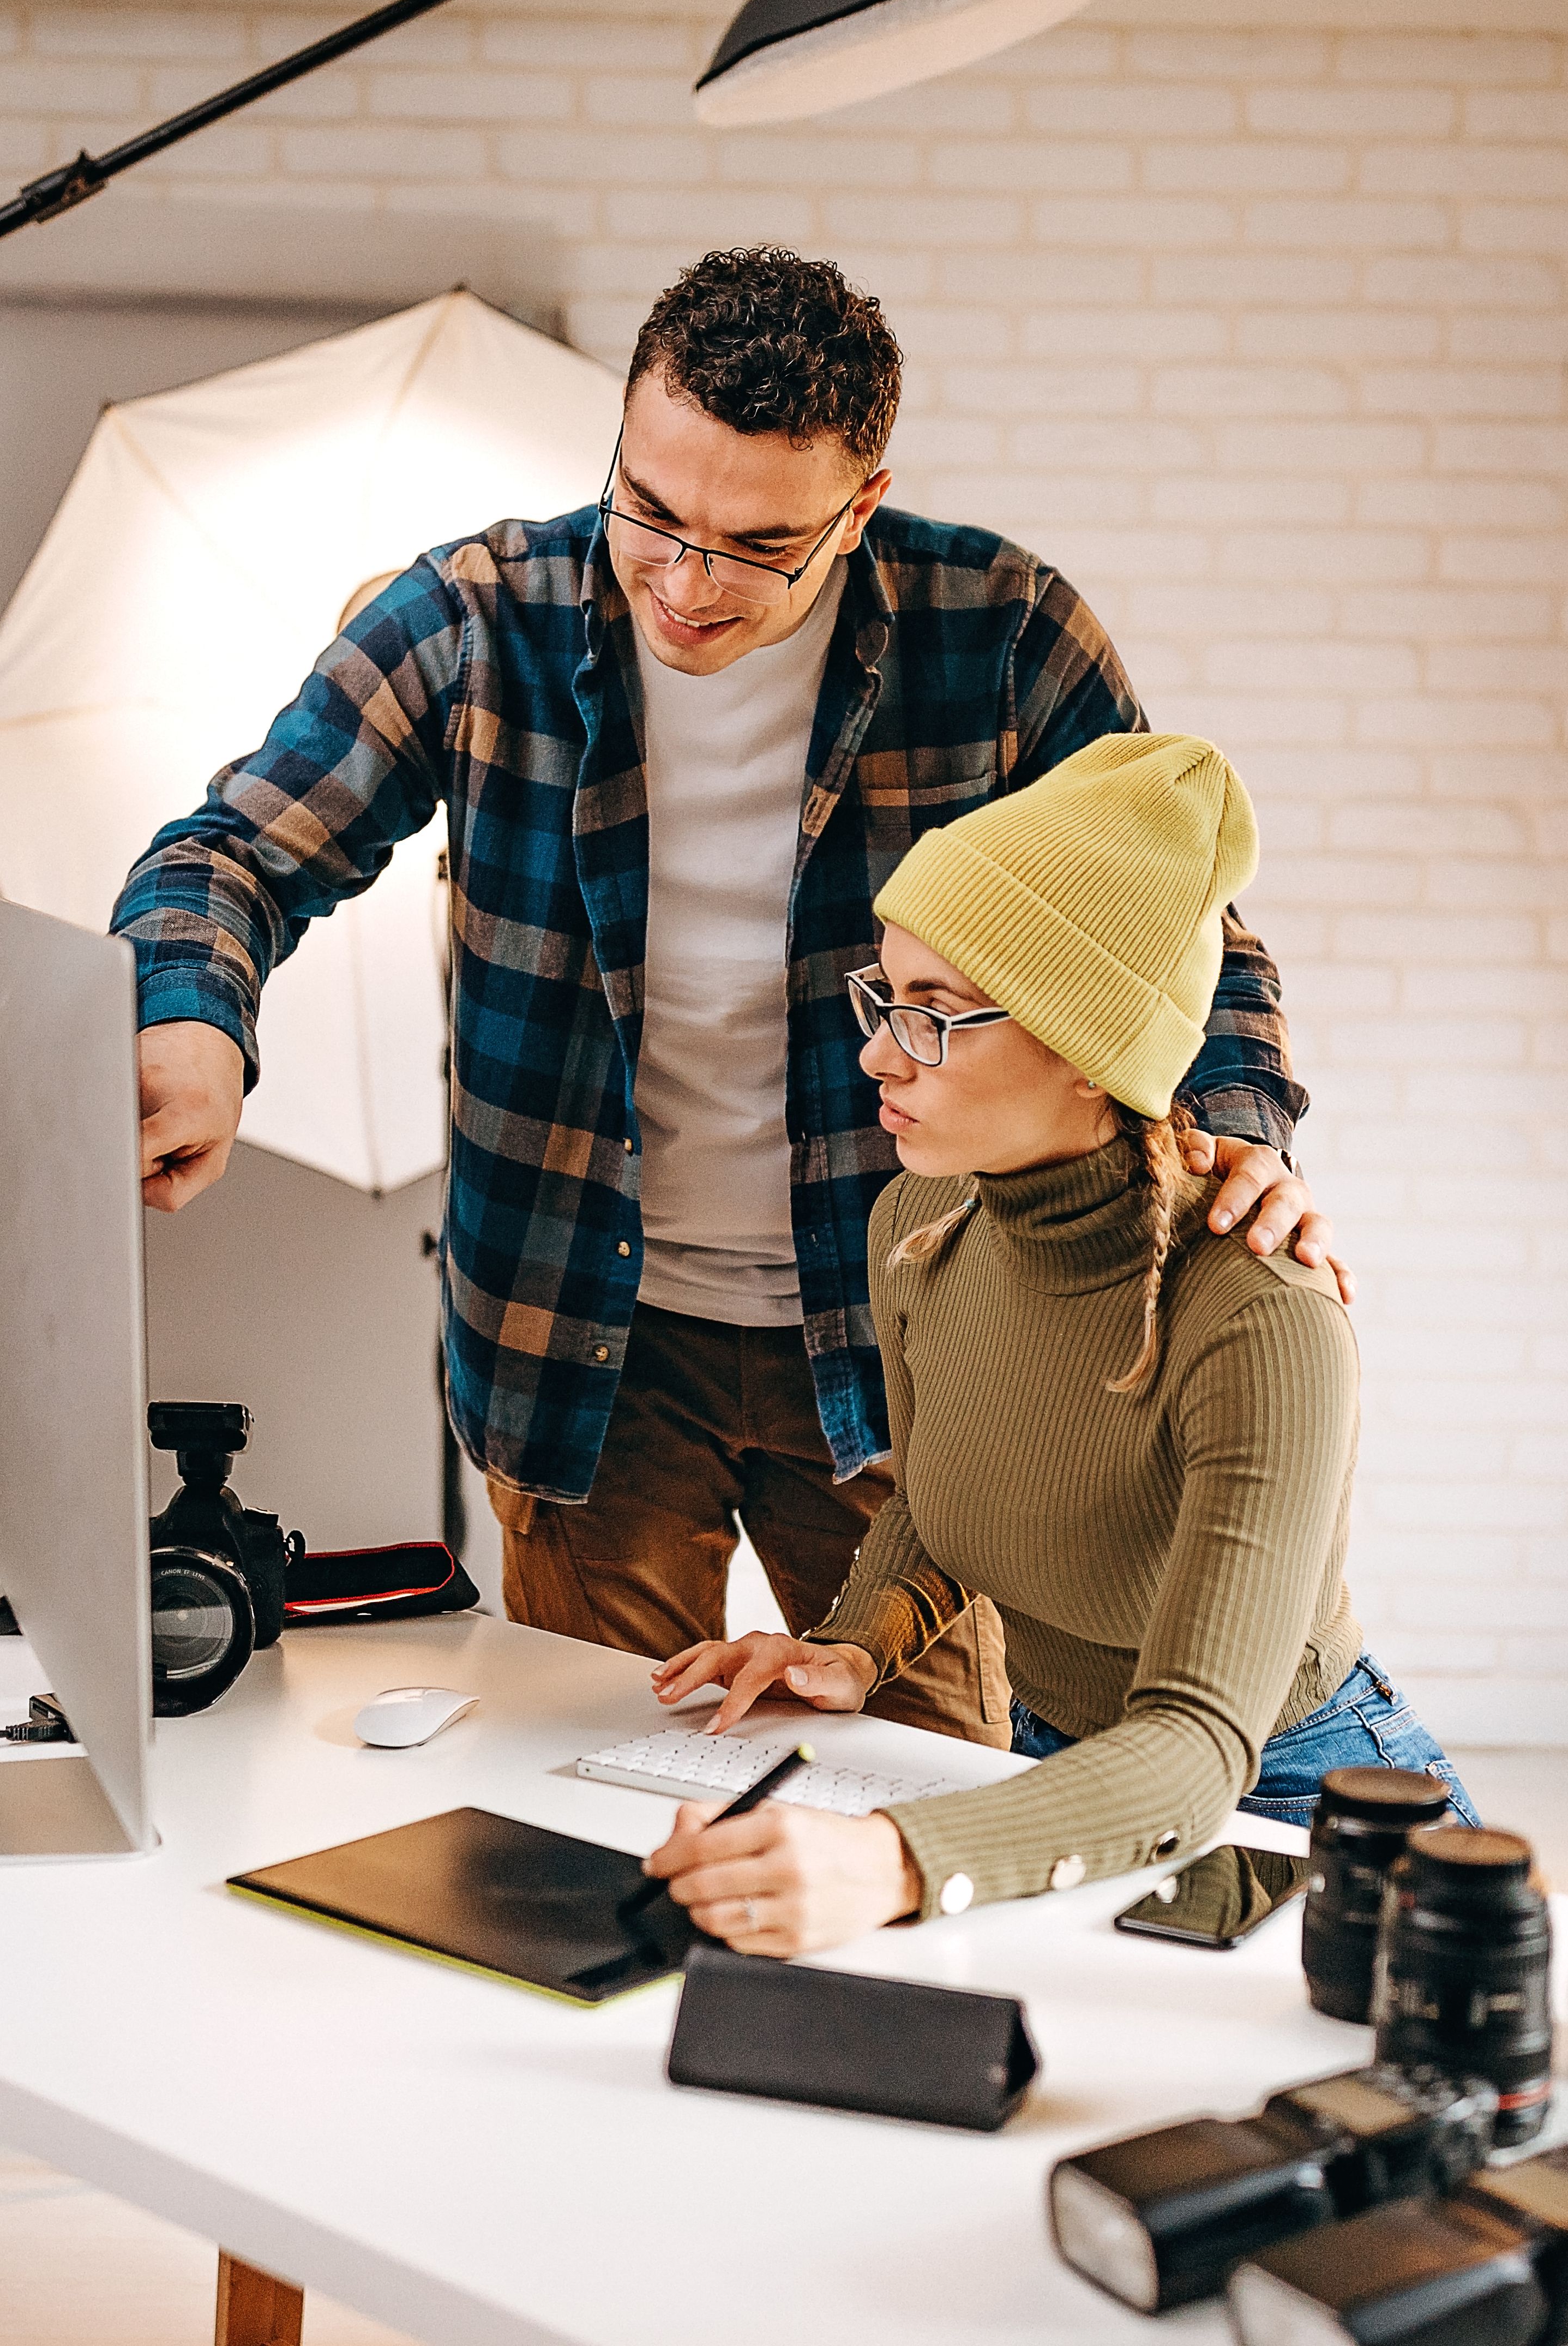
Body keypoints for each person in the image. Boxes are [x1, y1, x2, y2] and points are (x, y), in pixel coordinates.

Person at [115, 247, 1342, 1749]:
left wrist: (1241, 1140)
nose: (686, 584)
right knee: (582, 1797)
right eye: (652, 512)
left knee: (922, 1787)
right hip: (586, 1346)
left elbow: (1192, 942)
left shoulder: (1005, 636)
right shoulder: (473, 620)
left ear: (861, 502)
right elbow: (232, 851)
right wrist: (193, 1012)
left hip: (914, 1326)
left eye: (756, 544)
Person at [640, 733, 1473, 1956]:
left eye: (935, 1016)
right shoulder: (920, 1225)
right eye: (884, 997)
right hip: (1055, 1774)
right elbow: (939, 1500)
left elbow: (1196, 1747)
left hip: (1294, 1807)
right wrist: (850, 1646)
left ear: (1093, 1058)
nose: (877, 1053)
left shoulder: (1263, 1313)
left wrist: (894, 1860)